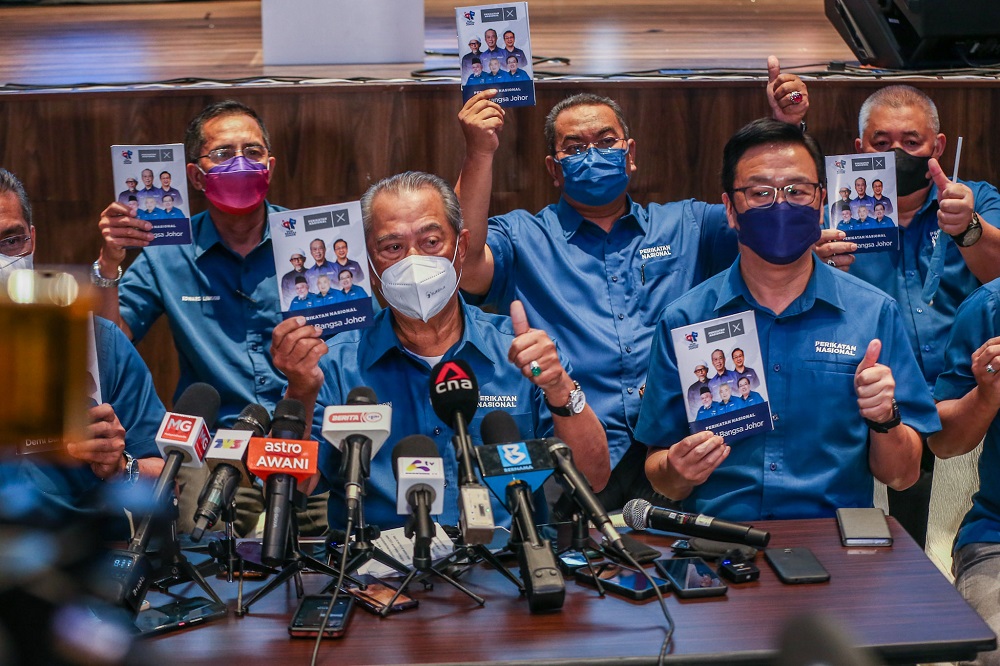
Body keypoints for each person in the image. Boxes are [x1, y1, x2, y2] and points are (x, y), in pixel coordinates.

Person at [456, 56, 809, 510]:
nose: (593, 154)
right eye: (575, 147)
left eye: (606, 141)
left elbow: (769, 223)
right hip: (575, 456)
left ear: (631, 153)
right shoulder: (523, 236)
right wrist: (480, 152)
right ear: (553, 168)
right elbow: (463, 266)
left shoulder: (688, 225)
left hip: (682, 453)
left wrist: (785, 135)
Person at [637, 118, 939, 522]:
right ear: (730, 209)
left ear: (821, 201)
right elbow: (663, 479)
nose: (780, 205)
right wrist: (677, 469)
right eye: (760, 192)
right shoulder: (685, 319)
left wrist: (884, 418)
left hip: (837, 545)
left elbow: (901, 477)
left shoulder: (874, 314)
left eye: (797, 191)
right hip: (721, 539)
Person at [271, 171, 609, 530]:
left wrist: (558, 386)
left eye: (431, 241)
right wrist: (301, 391)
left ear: (461, 248)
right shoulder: (335, 364)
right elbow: (294, 486)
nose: (414, 260)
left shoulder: (521, 351)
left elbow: (594, 478)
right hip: (376, 576)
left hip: (506, 569)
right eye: (393, 247)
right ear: (369, 266)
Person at [92, 99, 327, 537]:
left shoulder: (312, 245)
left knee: (318, 555)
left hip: (303, 430)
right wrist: (109, 266)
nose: (241, 162)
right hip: (214, 446)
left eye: (253, 152)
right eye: (223, 153)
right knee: (201, 546)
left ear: (270, 167)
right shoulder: (168, 253)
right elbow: (114, 340)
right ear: (197, 176)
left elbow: (356, 346)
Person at [816, 84, 1000, 546]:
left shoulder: (974, 198)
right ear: (859, 150)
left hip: (964, 390)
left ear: (937, 148)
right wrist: (813, 269)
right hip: (866, 393)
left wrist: (970, 230)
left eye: (911, 143)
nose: (896, 153)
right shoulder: (828, 214)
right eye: (881, 144)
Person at [0, 168, 165, 540]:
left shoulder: (99, 343)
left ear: (32, 240)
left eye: (11, 240)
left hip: (78, 562)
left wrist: (120, 466)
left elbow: (170, 482)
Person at [927, 277, 1000, 666]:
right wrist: (986, 395)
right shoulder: (990, 305)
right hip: (997, 538)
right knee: (992, 653)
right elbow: (943, 443)